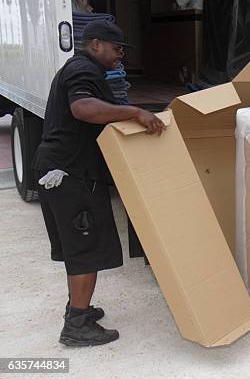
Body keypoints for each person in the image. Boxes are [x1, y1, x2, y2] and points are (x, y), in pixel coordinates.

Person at [32, 20, 165, 346]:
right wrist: (133, 112)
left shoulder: (82, 69)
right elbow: (82, 108)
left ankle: (80, 308)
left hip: (62, 170)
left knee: (80, 248)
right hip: (70, 175)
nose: (121, 56)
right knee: (85, 248)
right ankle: (76, 326)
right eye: (117, 49)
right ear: (95, 44)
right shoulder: (83, 70)